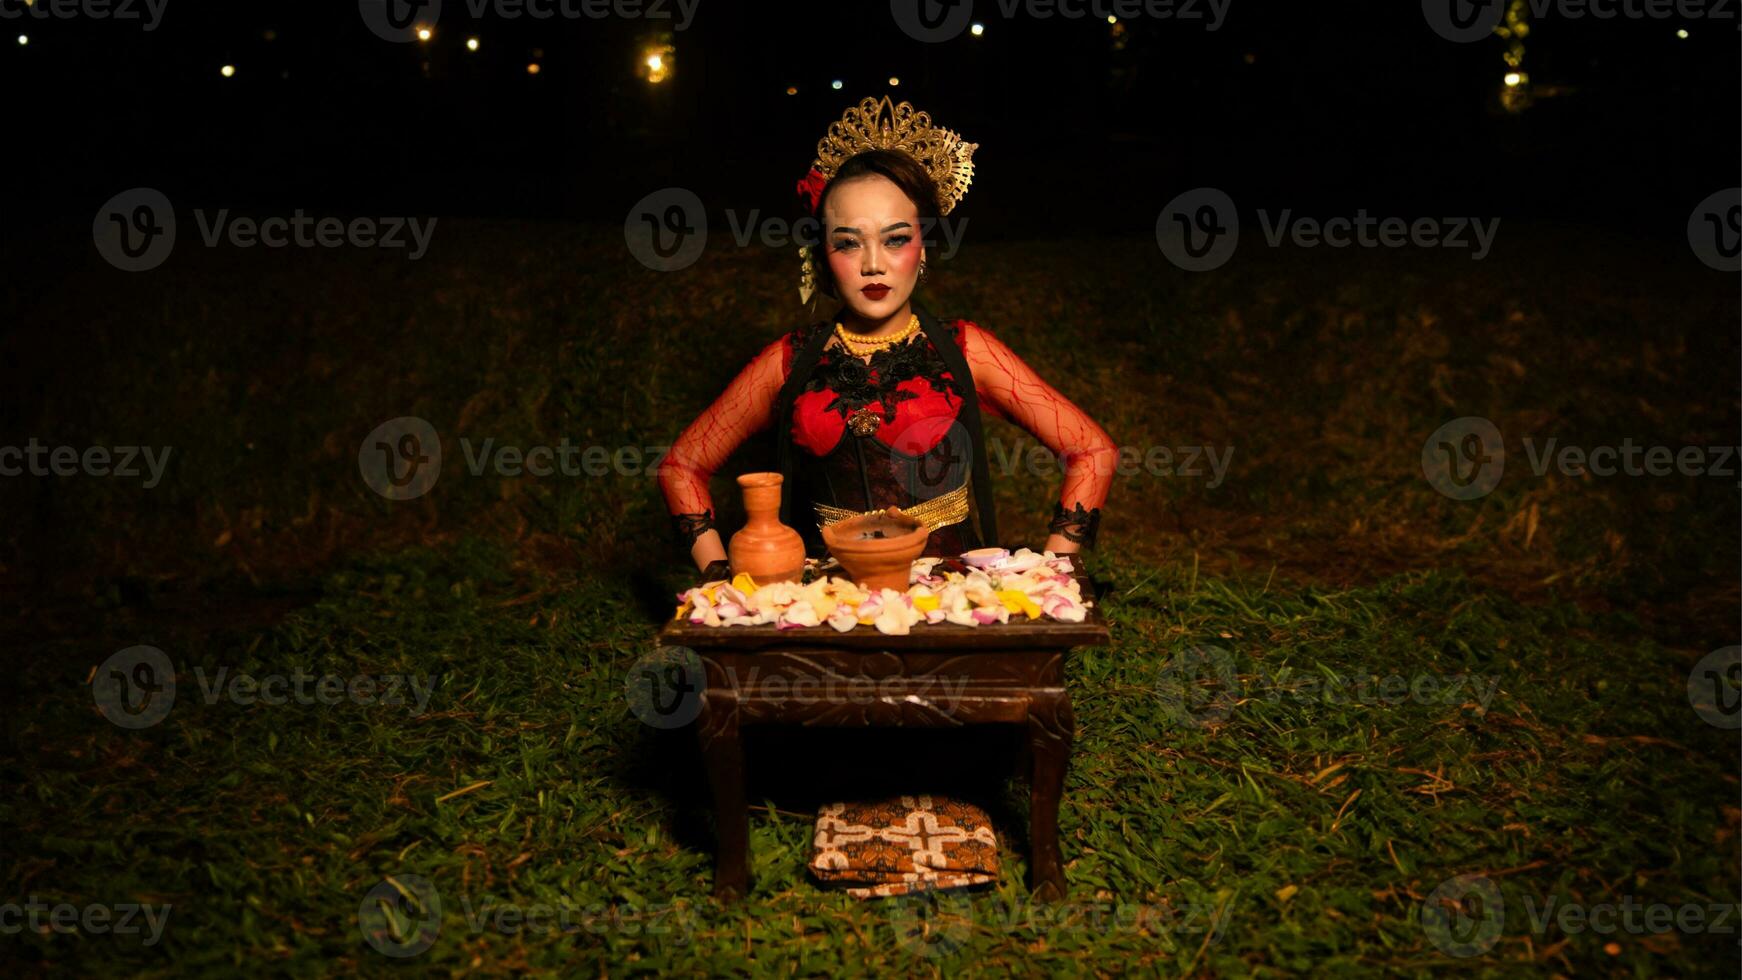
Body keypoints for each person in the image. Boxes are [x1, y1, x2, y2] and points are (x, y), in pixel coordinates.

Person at [657, 95, 1116, 579]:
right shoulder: (788, 362)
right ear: (823, 255)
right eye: (848, 242)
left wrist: (1054, 574)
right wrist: (720, 577)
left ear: (922, 248)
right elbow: (681, 467)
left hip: (953, 603)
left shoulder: (964, 349)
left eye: (895, 238)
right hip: (828, 604)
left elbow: (1092, 450)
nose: (873, 263)